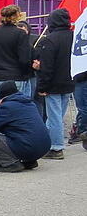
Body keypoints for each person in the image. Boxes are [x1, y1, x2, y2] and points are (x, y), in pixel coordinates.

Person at [0, 81, 50, 172]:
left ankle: (10, 163)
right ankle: (29, 161)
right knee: (23, 135)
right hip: (44, 147)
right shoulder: (29, 103)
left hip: (28, 147)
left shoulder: (6, 107)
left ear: (2, 97)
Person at [33, 8, 75, 160]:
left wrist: (42, 86)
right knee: (57, 115)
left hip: (53, 84)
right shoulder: (74, 36)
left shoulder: (50, 40)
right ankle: (50, 143)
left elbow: (48, 66)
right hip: (69, 81)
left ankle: (56, 147)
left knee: (55, 116)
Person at [0, 5, 34, 114]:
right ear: (17, 16)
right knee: (16, 111)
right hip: (16, 77)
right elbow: (24, 59)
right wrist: (26, 73)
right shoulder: (20, 34)